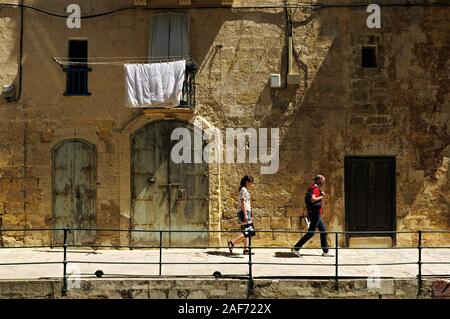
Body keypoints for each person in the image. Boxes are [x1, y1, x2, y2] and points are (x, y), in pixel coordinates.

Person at [291, 175, 331, 257]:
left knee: (323, 231)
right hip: (316, 214)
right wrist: (321, 196)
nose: (324, 183)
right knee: (311, 233)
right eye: (323, 181)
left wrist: (320, 194)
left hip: (315, 213)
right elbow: (313, 199)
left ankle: (325, 252)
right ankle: (296, 248)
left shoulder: (312, 187)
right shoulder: (315, 189)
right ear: (319, 181)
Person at [228, 175, 255, 255]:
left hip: (245, 212)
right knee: (249, 231)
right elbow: (243, 202)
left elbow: (247, 203)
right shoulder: (243, 190)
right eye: (251, 183)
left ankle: (246, 250)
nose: (252, 185)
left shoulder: (244, 190)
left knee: (247, 231)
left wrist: (250, 214)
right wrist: (246, 215)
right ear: (247, 182)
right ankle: (232, 242)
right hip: (244, 212)